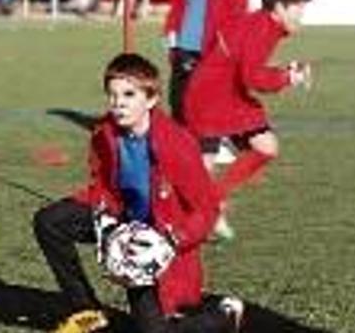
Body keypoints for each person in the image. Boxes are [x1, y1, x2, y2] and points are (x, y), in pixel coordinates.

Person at [33, 53, 244, 333]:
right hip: (123, 222)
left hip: (160, 238)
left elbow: (207, 210)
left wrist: (171, 240)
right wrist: (107, 221)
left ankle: (224, 313)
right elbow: (102, 185)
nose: (118, 103)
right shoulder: (105, 133)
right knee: (50, 221)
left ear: (152, 99)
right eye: (113, 94)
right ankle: (88, 312)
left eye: (129, 94)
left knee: (153, 331)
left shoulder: (177, 144)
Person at [184, 0, 313, 240]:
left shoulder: (263, 24)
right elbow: (253, 77)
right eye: (298, 8)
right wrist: (288, 77)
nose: (302, 15)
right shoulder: (262, 28)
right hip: (211, 97)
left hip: (224, 93)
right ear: (279, 8)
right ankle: (204, 209)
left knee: (264, 148)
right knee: (207, 166)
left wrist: (284, 71)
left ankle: (211, 203)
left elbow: (244, 65)